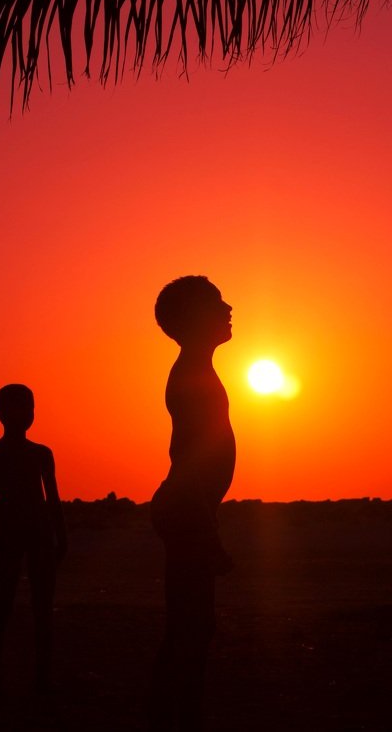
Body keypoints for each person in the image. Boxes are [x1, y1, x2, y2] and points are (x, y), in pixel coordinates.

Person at [149, 275, 236, 732]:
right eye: (216, 302)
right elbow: (186, 463)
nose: (228, 308)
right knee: (192, 629)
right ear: (189, 319)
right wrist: (210, 534)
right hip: (187, 514)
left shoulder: (198, 372)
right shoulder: (191, 378)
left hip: (190, 513)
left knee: (190, 627)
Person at [0, 383, 67, 695]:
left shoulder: (41, 454)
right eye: (15, 408)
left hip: (37, 535)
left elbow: (53, 500)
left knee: (41, 608)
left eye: (26, 408)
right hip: (12, 535)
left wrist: (61, 537)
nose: (21, 415)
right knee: (3, 607)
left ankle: (40, 679)